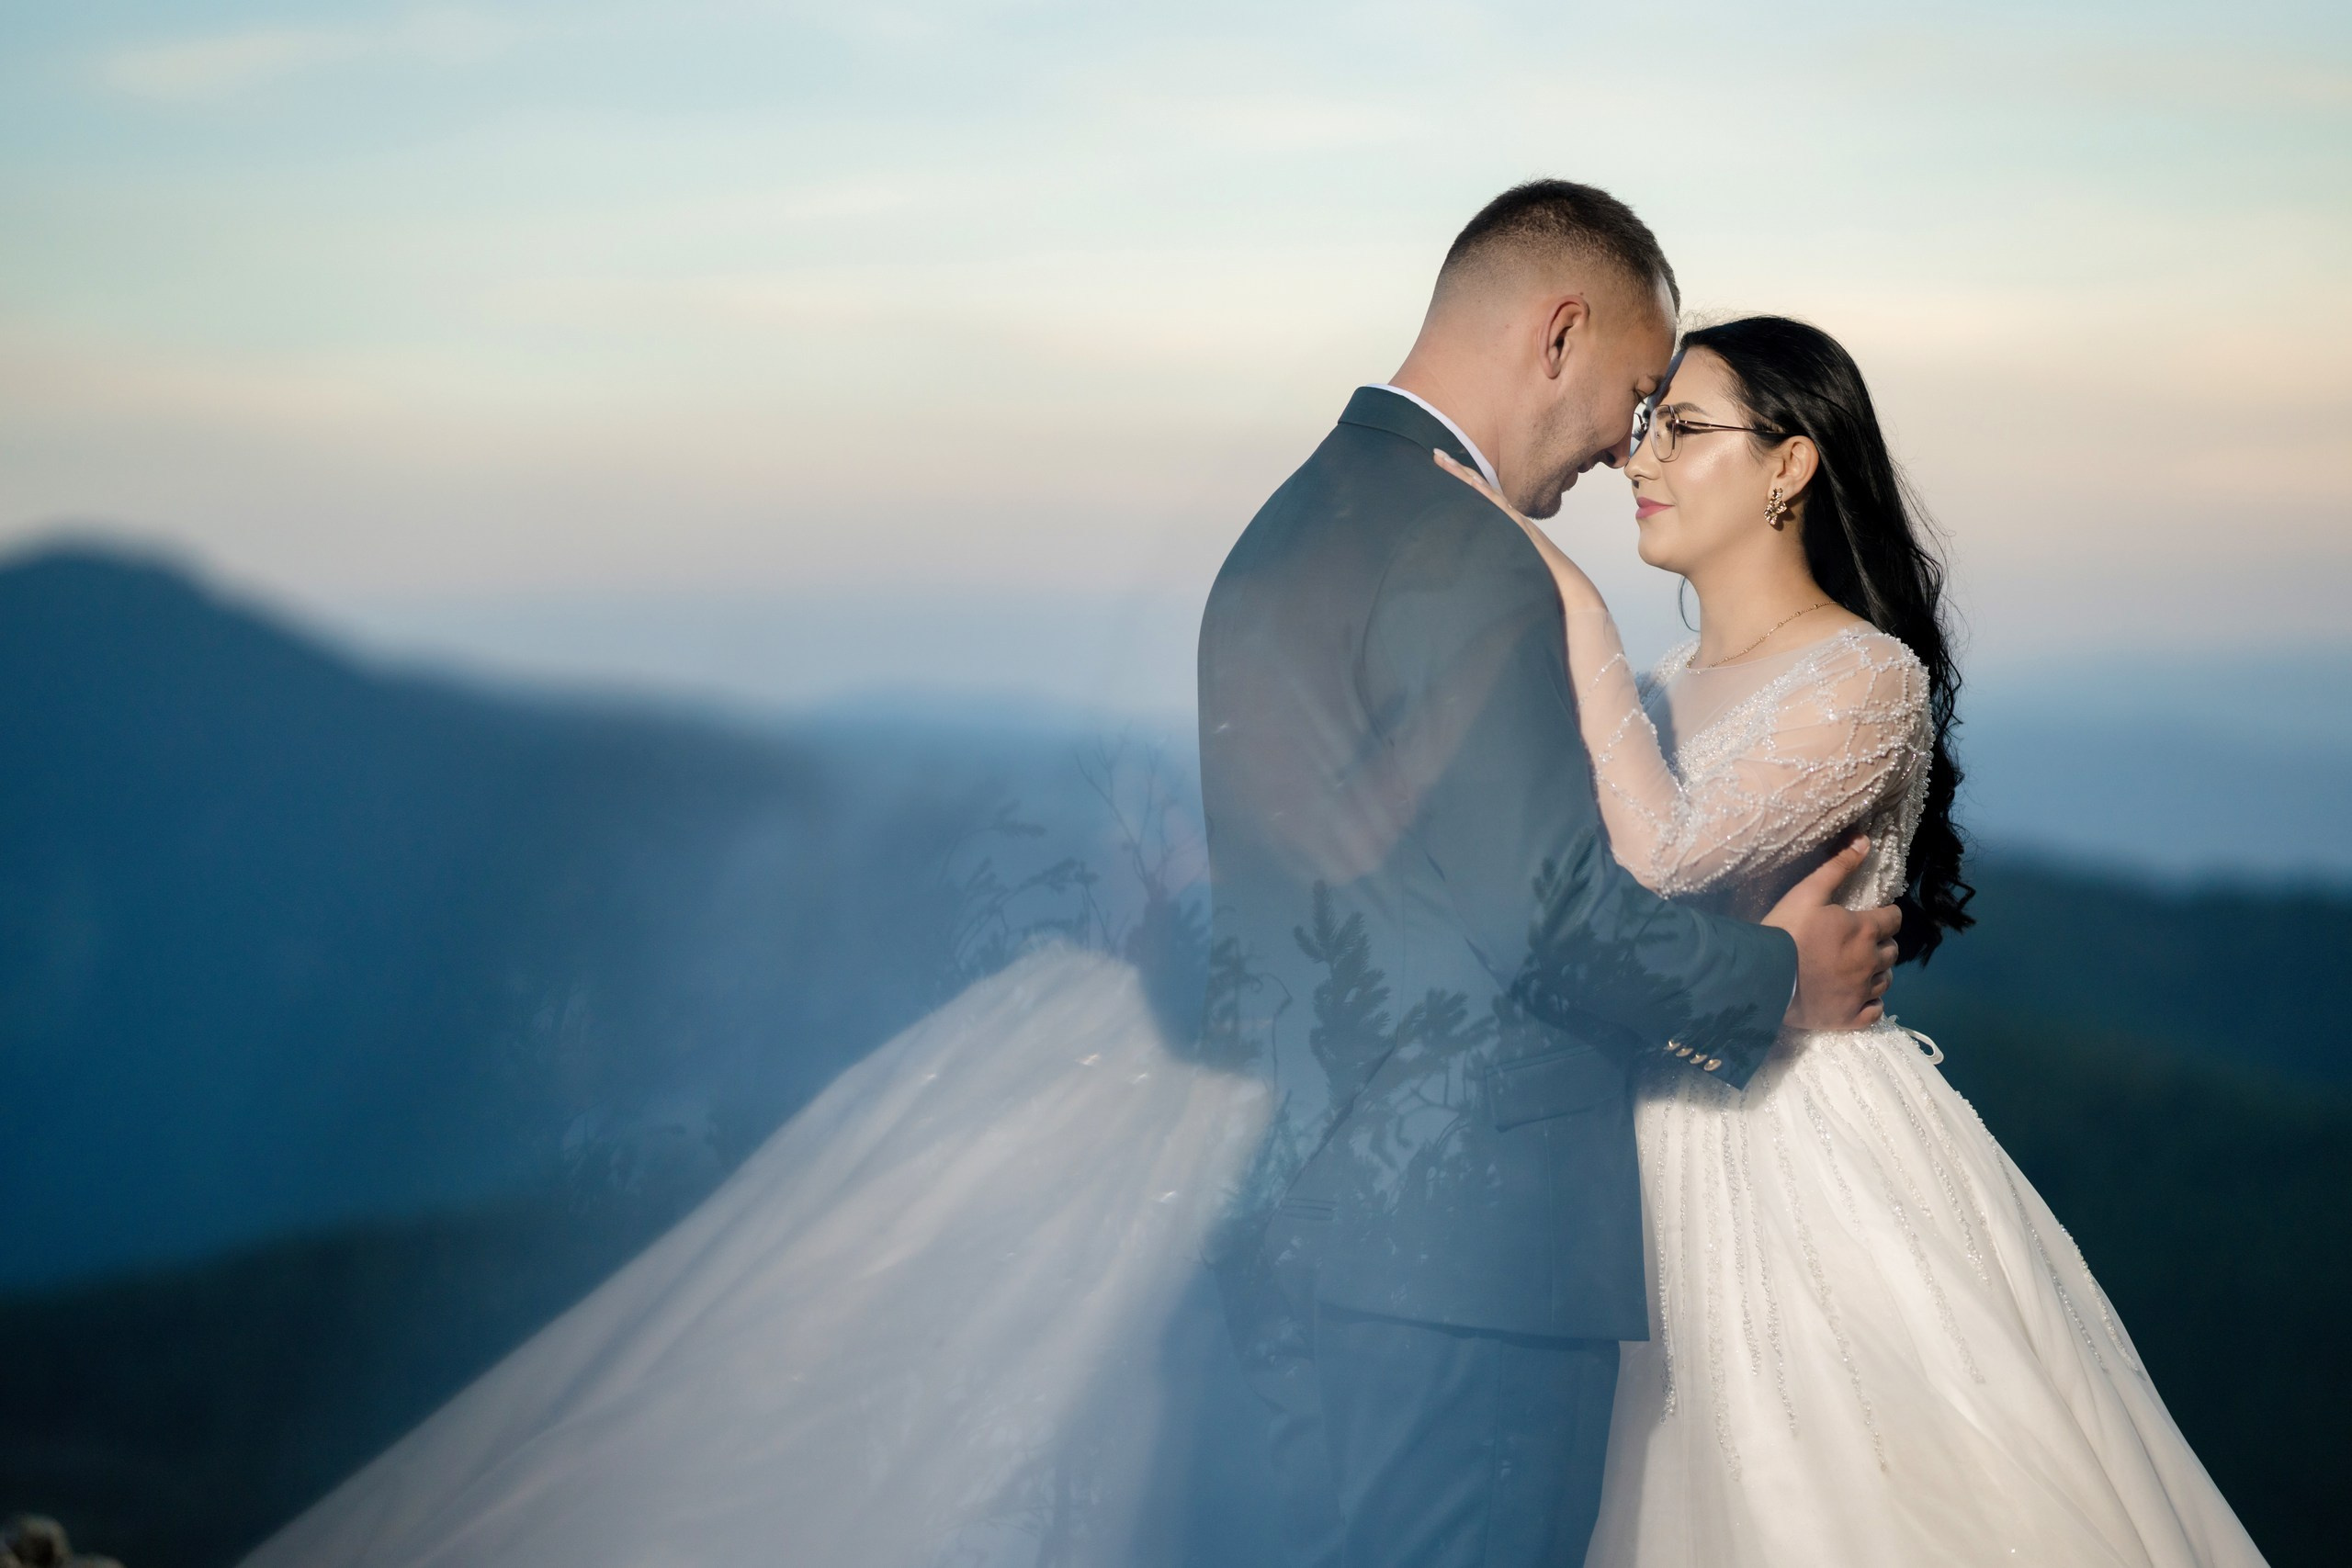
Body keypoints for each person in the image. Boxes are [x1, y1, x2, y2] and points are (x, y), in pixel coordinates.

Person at [1435, 315, 2267, 1566]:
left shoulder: (1863, 679)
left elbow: (1662, 855)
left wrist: (1570, 601)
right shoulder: (1653, 685)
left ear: (1791, 465)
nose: (1640, 458)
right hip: (1621, 1155)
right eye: (1646, 426)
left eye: (1686, 428)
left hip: (1792, 1150)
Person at [1193, 181, 1899, 1568]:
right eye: (1640, 396)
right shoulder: (1468, 556)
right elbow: (1547, 917)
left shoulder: (1279, 534)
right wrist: (1785, 983)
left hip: (1313, 1235)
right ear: (1560, 333)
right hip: (1475, 1262)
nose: (1622, 451)